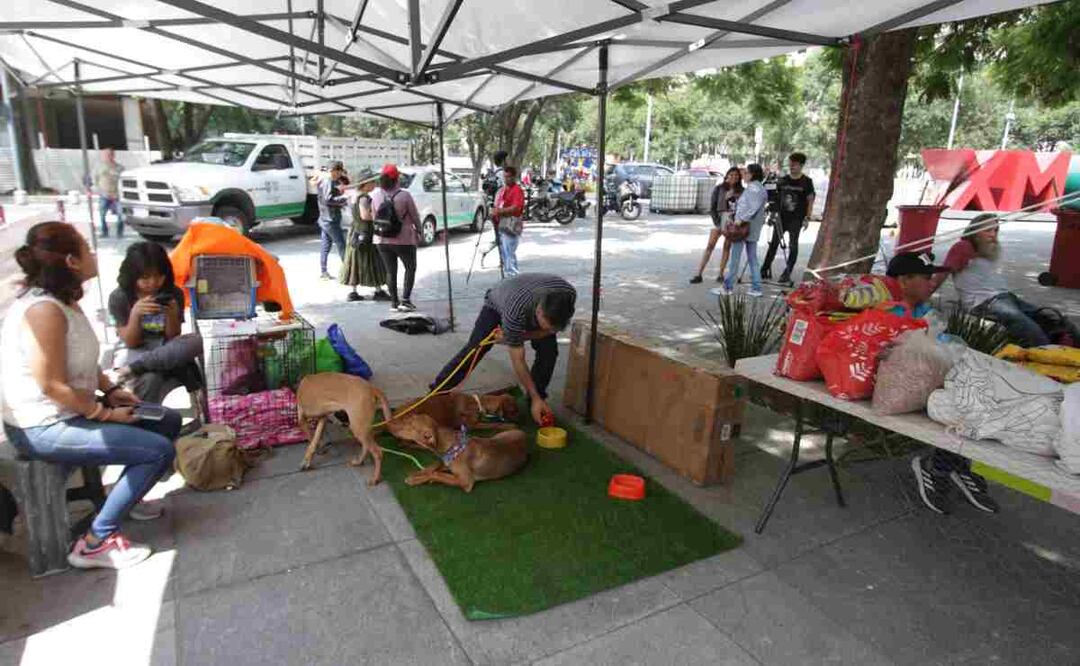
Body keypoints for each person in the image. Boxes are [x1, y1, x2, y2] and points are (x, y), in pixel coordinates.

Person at [1, 221, 181, 569]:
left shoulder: (64, 300)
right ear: (71, 261)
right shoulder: (44, 311)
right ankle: (96, 541)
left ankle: (128, 498)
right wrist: (104, 414)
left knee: (167, 420)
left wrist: (111, 390)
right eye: (86, 247)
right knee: (156, 452)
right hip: (41, 426)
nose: (94, 253)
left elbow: (81, 361)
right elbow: (50, 384)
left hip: (71, 409)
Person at [883, 252, 1000, 515]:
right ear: (903, 281)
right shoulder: (887, 312)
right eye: (926, 278)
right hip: (900, 386)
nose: (931, 282)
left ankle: (954, 464)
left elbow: (943, 345)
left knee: (977, 394)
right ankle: (938, 466)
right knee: (958, 404)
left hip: (929, 378)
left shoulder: (926, 311)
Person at [431, 273, 576, 425]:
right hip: (498, 301)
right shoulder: (515, 311)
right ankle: (438, 391)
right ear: (539, 311)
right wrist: (513, 337)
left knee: (549, 351)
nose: (550, 331)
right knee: (476, 349)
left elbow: (548, 330)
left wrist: (516, 337)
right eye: (547, 326)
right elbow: (518, 361)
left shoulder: (568, 295)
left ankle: (536, 401)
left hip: (527, 295)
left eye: (554, 328)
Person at [932, 214, 1080, 347]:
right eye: (988, 230)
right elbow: (943, 273)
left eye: (995, 230)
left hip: (1006, 297)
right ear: (975, 232)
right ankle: (1048, 354)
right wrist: (921, 297)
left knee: (1052, 318)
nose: (993, 235)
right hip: (983, 302)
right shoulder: (963, 247)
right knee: (1025, 325)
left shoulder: (987, 249)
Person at [109, 242, 204, 407]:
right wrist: (135, 314)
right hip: (135, 351)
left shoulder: (174, 293)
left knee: (197, 340)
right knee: (152, 378)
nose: (153, 283)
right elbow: (131, 342)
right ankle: (144, 422)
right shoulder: (120, 297)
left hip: (166, 349)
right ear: (132, 276)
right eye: (145, 278)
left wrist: (171, 315)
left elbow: (173, 336)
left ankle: (135, 369)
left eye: (159, 276)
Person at [372, 163, 422, 312]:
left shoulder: (375, 195)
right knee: (410, 268)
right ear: (397, 179)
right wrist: (419, 231)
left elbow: (374, 216)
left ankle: (394, 303)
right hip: (404, 239)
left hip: (382, 240)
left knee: (390, 271)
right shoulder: (404, 195)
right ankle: (405, 301)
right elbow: (414, 216)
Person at [761, 152, 815, 285]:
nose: (792, 167)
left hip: (796, 218)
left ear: (801, 165)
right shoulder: (783, 180)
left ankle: (787, 273)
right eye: (790, 164)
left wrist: (807, 218)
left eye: (795, 165)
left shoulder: (807, 182)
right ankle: (764, 268)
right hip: (781, 218)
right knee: (773, 244)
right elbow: (772, 195)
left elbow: (810, 201)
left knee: (793, 245)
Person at [339, 170, 391, 303]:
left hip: (356, 232)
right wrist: (377, 215)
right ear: (365, 184)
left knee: (354, 263)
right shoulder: (364, 198)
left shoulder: (354, 195)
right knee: (373, 261)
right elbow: (364, 216)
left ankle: (353, 292)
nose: (375, 184)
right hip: (365, 233)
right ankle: (378, 291)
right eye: (372, 181)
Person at [719, 163, 768, 297]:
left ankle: (728, 287)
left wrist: (740, 220)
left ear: (752, 174)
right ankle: (756, 287)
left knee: (735, 257)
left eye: (746, 172)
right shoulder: (758, 187)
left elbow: (752, 208)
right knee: (752, 258)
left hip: (744, 228)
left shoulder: (753, 189)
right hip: (752, 227)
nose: (743, 175)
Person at [691, 166, 743, 284]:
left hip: (733, 223)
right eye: (731, 175)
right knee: (710, 246)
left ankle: (720, 274)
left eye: (736, 175)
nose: (733, 177)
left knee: (726, 247)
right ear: (727, 176)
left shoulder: (741, 191)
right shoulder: (719, 189)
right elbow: (713, 207)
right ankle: (699, 274)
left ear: (739, 177)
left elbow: (743, 207)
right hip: (720, 220)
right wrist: (717, 222)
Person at [317, 161, 350, 280]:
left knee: (325, 245)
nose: (340, 174)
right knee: (341, 244)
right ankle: (348, 271)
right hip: (330, 219)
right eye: (339, 171)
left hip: (325, 218)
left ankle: (323, 271)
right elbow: (328, 199)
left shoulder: (326, 180)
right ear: (334, 171)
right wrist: (343, 199)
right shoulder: (328, 181)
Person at [493, 165, 526, 277]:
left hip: (512, 224)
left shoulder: (517, 190)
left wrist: (500, 211)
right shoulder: (503, 190)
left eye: (509, 177)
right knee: (505, 252)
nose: (507, 179)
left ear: (514, 177)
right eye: (505, 177)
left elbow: (516, 207)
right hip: (502, 223)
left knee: (509, 253)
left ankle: (513, 277)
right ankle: (509, 275)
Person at [93, 148, 124, 238]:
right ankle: (104, 232)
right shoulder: (98, 168)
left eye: (110, 154)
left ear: (114, 155)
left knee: (121, 215)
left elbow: (123, 182)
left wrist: (118, 194)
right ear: (103, 156)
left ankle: (119, 233)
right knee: (102, 215)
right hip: (104, 195)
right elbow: (95, 182)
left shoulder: (120, 168)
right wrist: (100, 192)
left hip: (117, 196)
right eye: (106, 154)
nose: (108, 156)